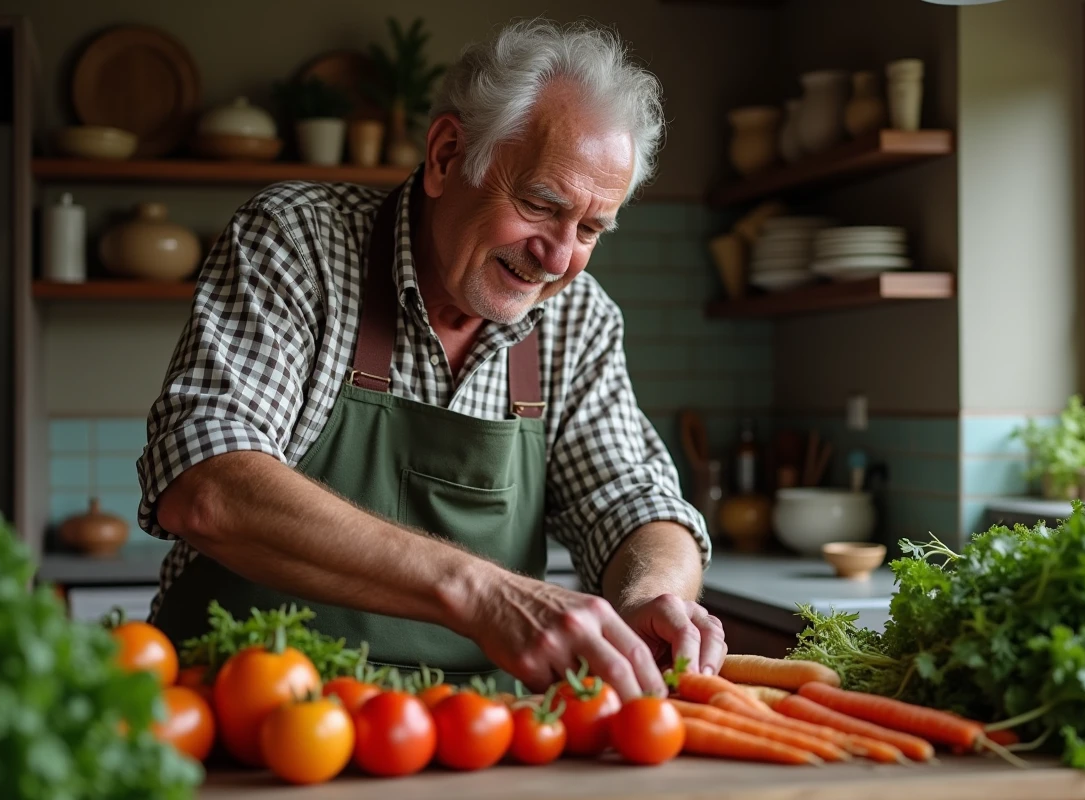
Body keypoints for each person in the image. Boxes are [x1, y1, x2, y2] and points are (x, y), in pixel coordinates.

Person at [138, 18, 723, 699]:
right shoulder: (298, 241)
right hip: (250, 712)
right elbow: (206, 485)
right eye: (540, 205)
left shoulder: (579, 317)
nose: (559, 258)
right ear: (448, 155)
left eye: (590, 229)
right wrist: (480, 593)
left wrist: (654, 594)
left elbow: (633, 500)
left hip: (466, 737)